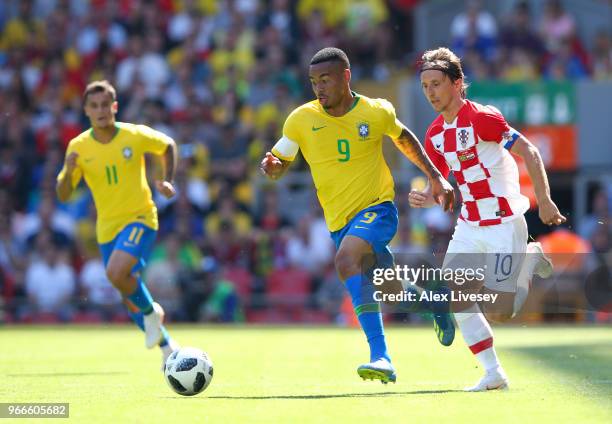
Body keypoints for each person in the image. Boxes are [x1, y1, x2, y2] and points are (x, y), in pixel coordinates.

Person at [260, 47, 455, 384]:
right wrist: (272, 169)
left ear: (345, 77)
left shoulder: (375, 111)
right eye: (313, 82)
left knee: (345, 261)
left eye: (326, 80)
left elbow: (403, 138)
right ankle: (435, 302)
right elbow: (280, 162)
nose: (319, 88)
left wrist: (436, 177)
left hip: (378, 211)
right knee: (392, 293)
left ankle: (381, 357)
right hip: (340, 223)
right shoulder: (300, 120)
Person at [413, 47, 566, 391]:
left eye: (436, 84)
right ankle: (493, 373)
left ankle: (529, 259)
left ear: (457, 83)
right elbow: (442, 184)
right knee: (456, 293)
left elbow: (529, 150)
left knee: (500, 311)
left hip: (503, 222)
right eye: (425, 86)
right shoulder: (434, 135)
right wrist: (428, 194)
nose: (431, 93)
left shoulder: (483, 118)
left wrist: (544, 200)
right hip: (469, 223)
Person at [56, 80, 179, 368]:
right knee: (127, 290)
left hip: (140, 217)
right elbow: (63, 194)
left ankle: (152, 314)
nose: (100, 111)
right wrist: (68, 172)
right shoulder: (78, 147)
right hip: (107, 229)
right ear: (86, 110)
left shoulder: (132, 135)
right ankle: (167, 348)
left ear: (114, 107)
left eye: (105, 105)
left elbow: (168, 145)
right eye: (94, 106)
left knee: (116, 273)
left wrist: (167, 180)